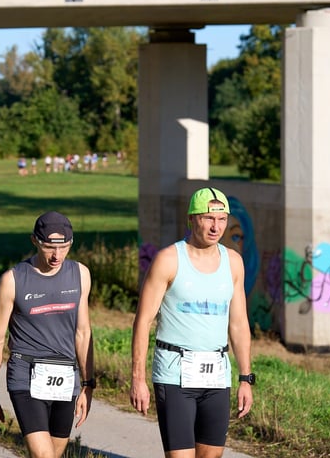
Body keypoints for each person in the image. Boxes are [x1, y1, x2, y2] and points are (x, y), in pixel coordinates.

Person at [130, 187, 254, 458]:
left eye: (222, 219)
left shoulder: (233, 262)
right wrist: (138, 378)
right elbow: (142, 322)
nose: (216, 226)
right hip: (175, 375)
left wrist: (246, 378)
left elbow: (239, 324)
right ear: (192, 218)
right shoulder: (168, 260)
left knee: (212, 455)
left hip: (216, 376)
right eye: (209, 218)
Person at [0, 211, 94, 458]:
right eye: (49, 248)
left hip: (66, 376)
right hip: (26, 375)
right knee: (44, 455)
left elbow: (83, 332)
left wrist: (88, 384)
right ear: (34, 241)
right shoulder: (12, 280)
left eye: (64, 247)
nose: (57, 256)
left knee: (52, 454)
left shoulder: (81, 274)